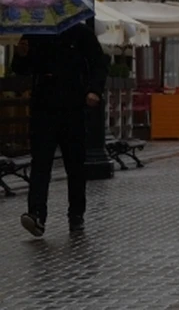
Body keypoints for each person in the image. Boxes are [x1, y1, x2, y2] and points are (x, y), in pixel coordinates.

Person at [11, 23, 108, 237]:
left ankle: (76, 215)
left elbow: (99, 65)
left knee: (75, 166)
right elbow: (21, 69)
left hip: (73, 107)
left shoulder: (81, 33)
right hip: (43, 108)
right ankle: (36, 214)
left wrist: (94, 90)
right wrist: (21, 55)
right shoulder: (36, 32)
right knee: (40, 163)